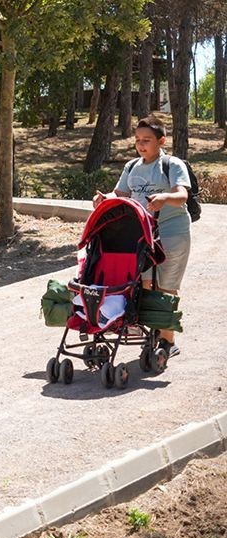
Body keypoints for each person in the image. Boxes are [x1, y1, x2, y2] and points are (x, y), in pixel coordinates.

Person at [93, 115, 190, 357]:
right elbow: (120, 194)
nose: (141, 145)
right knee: (143, 282)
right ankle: (151, 333)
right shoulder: (131, 167)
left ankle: (167, 340)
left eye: (147, 140)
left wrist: (164, 198)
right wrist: (105, 199)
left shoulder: (172, 165)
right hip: (142, 232)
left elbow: (182, 196)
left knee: (165, 285)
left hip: (172, 230)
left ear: (161, 141)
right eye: (137, 140)